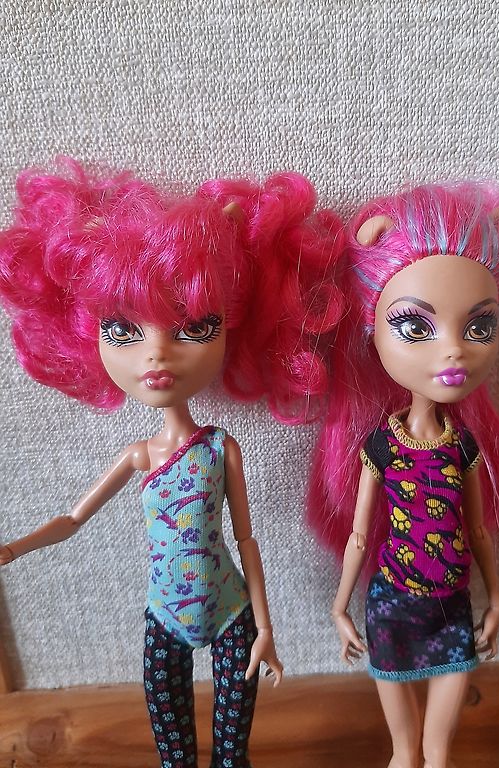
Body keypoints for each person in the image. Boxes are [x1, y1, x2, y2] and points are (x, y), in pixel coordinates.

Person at [0, 159, 343, 768]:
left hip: (232, 610)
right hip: (165, 614)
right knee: (173, 751)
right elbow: (73, 520)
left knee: (232, 753)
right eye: (122, 329)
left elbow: (246, 539)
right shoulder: (138, 457)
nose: (156, 354)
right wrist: (16, 548)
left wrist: (266, 627)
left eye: (195, 327)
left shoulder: (220, 448)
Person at [307, 182, 499, 768]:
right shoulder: (381, 447)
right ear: (373, 327)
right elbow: (360, 535)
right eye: (416, 326)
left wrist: (496, 600)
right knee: (405, 754)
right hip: (391, 607)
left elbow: (477, 530)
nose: (454, 352)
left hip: (453, 606)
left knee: (438, 753)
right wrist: (340, 607)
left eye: (478, 328)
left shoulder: (464, 446)